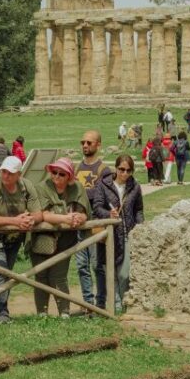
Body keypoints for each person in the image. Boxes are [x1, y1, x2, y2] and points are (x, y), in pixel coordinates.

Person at [0, 156, 42, 323]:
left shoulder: (26, 186)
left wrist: (30, 220)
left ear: (18, 174)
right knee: (1, 270)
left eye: (10, 173)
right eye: (3, 171)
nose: (5, 175)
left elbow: (38, 212)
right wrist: (15, 221)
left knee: (6, 273)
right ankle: (2, 313)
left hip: (14, 238)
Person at [30, 158, 89, 317]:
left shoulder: (77, 188)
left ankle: (64, 312)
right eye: (54, 172)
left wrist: (79, 218)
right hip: (41, 239)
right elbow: (44, 214)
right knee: (41, 276)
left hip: (66, 240)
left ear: (69, 176)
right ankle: (41, 314)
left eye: (61, 174)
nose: (56, 176)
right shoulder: (42, 187)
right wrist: (65, 219)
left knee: (59, 275)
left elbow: (84, 212)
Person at [92, 155, 144, 312]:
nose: (125, 173)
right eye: (122, 169)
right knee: (111, 272)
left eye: (129, 170)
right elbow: (97, 206)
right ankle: (116, 306)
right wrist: (109, 214)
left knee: (124, 274)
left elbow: (139, 209)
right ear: (116, 168)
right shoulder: (103, 184)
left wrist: (141, 227)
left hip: (127, 234)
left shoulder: (135, 186)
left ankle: (125, 303)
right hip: (108, 235)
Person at [74, 131, 112, 309]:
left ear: (98, 145)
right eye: (83, 142)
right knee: (82, 266)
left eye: (89, 142)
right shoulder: (76, 168)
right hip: (78, 224)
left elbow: (101, 195)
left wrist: (81, 193)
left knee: (98, 266)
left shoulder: (103, 170)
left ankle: (101, 303)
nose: (85, 145)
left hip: (96, 223)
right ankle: (87, 303)